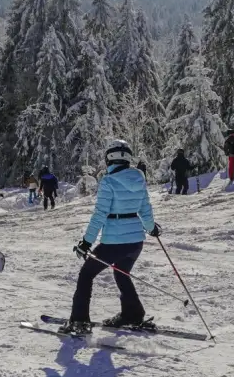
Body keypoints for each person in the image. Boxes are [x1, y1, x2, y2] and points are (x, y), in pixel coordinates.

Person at [61, 139, 160, 335]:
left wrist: (86, 243)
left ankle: (79, 321)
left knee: (86, 274)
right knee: (121, 272)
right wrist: (152, 228)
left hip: (115, 243)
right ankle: (132, 314)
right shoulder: (139, 178)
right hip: (136, 242)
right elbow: (145, 209)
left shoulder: (108, 181)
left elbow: (100, 214)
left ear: (109, 158)